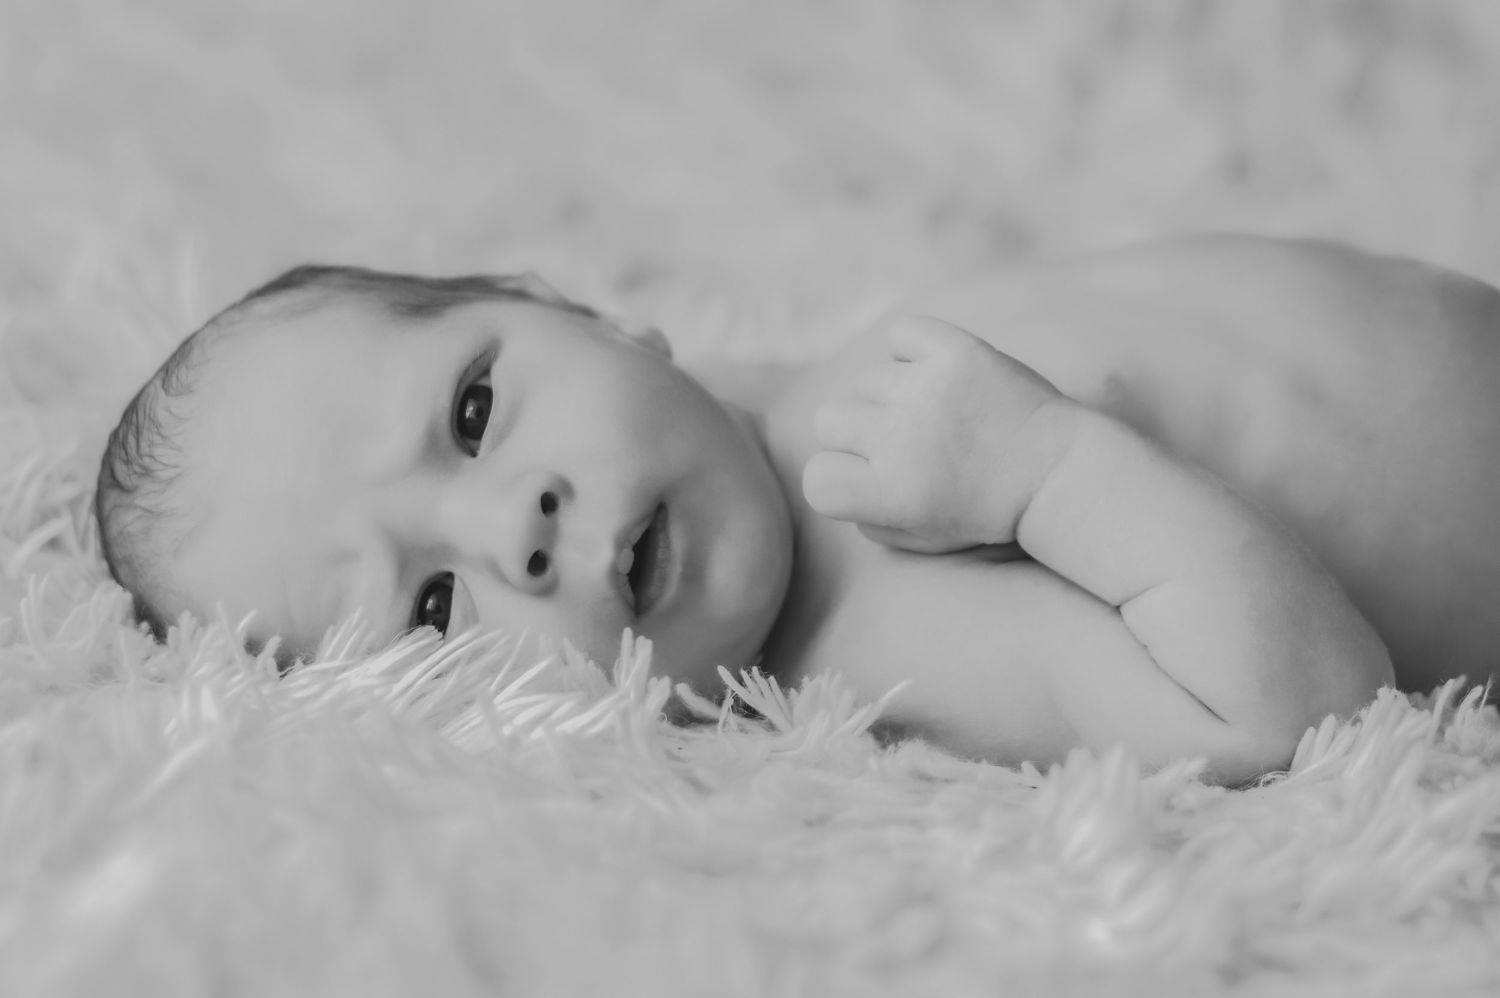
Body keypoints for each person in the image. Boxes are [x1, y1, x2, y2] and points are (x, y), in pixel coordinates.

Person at [94, 234, 1500, 785]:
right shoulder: (887, 635)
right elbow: (1301, 708)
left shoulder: (770, 404)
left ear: (576, 311)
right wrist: (1053, 474)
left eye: (472, 412)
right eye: (432, 608)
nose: (510, 528)